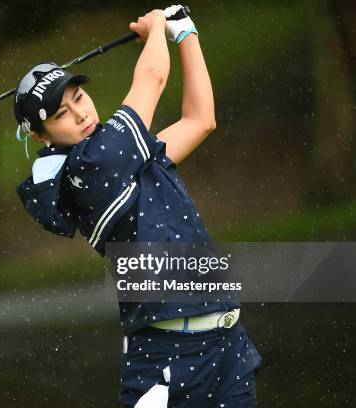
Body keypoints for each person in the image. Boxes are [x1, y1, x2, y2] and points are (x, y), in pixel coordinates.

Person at [14, 5, 261, 408]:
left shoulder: (124, 158)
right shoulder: (92, 169)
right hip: (167, 362)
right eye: (62, 114)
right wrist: (158, 25)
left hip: (227, 346)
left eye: (79, 97)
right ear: (42, 137)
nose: (81, 114)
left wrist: (186, 34)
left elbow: (200, 120)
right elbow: (152, 76)